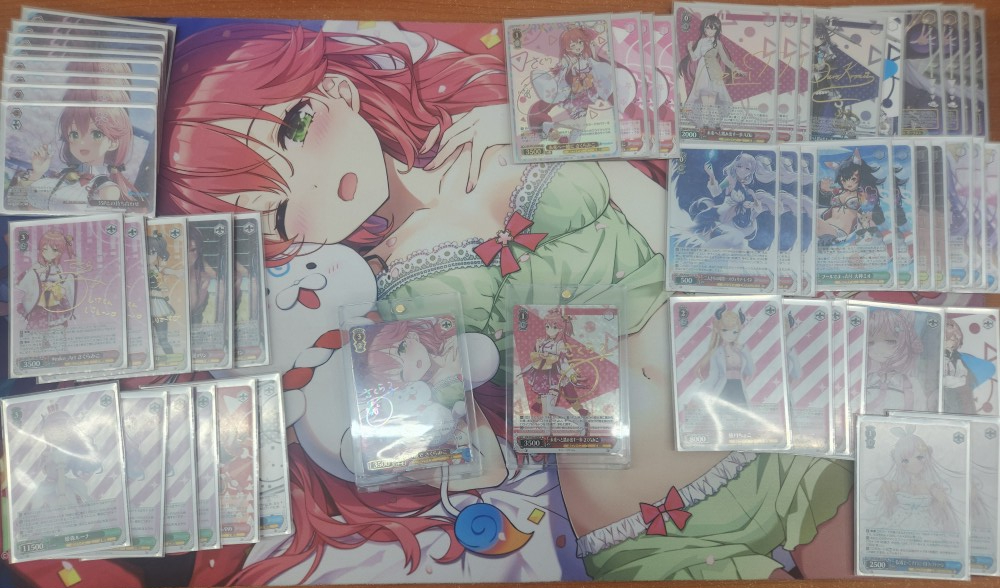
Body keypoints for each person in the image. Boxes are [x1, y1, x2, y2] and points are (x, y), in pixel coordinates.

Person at [158, 23, 851, 584]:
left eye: (294, 127)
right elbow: (481, 464)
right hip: (638, 520)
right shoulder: (378, 301)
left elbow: (685, 239)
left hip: (761, 426)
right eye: (280, 213)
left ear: (333, 87)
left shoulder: (501, 112)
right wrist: (367, 402)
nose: (316, 184)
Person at [19, 91, 138, 211]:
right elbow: (26, 206)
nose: (82, 143)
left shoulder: (107, 190)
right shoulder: (64, 175)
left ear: (113, 143)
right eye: (74, 135)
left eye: (96, 134)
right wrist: (37, 172)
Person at [527, 26, 615, 139]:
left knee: (579, 127)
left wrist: (593, 51)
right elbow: (563, 77)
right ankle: (549, 126)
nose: (578, 47)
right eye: (573, 45)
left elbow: (597, 66)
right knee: (581, 125)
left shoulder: (584, 56)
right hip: (573, 96)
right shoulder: (567, 59)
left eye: (580, 43)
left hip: (585, 93)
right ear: (567, 48)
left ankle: (572, 143)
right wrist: (569, 68)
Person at [867, 427, 960, 532]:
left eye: (919, 457)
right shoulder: (899, 484)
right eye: (905, 460)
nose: (913, 463)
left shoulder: (929, 485)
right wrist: (886, 489)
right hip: (898, 523)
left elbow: (941, 500)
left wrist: (941, 499)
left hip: (925, 525)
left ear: (927, 456)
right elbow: (886, 493)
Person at [678, 15, 745, 132]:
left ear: (717, 30)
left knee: (712, 102)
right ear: (704, 28)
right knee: (705, 102)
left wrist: (735, 69)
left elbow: (725, 59)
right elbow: (695, 57)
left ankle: (716, 124)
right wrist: (690, 50)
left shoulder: (718, 43)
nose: (709, 31)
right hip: (702, 72)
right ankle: (705, 124)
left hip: (714, 71)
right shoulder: (701, 41)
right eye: (707, 28)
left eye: (712, 28)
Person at [817, 149, 886, 244]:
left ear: (860, 177)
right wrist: (822, 188)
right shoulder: (838, 190)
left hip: (840, 233)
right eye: (844, 180)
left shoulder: (862, 194)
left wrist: (869, 220)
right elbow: (823, 197)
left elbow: (872, 213)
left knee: (811, 221)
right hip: (827, 225)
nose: (848, 183)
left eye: (853, 179)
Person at [864, 309, 924, 415]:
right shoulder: (865, 381)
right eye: (870, 343)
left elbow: (922, 413)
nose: (879, 349)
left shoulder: (912, 384)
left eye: (890, 342)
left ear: (903, 342)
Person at [15, 228, 76, 329]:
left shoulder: (58, 267)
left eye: (55, 250)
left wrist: (58, 287)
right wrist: (39, 276)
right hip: (39, 302)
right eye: (45, 249)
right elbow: (28, 279)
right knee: (37, 326)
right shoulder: (37, 266)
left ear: (59, 252)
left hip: (54, 301)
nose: (49, 253)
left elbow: (62, 281)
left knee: (56, 326)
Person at [697, 306, 754, 407]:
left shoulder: (741, 350)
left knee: (741, 414)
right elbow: (714, 375)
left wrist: (745, 351)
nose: (730, 335)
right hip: (723, 389)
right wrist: (701, 393)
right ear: (718, 330)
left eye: (735, 332)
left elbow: (750, 371)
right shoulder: (717, 352)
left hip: (739, 389)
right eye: (725, 330)